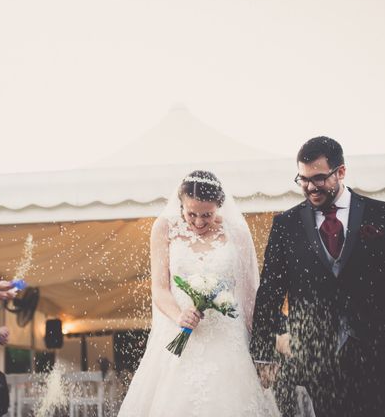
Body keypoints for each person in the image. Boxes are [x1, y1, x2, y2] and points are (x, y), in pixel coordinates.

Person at [250, 136, 385, 417]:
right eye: (302, 179)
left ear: (340, 171)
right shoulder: (286, 225)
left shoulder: (383, 215)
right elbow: (269, 292)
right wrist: (263, 352)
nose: (309, 187)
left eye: (318, 178)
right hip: (321, 363)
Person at [118, 170, 279, 416]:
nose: (199, 222)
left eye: (207, 214)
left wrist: (263, 353)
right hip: (181, 334)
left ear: (219, 206)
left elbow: (249, 298)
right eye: (191, 213)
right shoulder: (164, 228)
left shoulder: (237, 232)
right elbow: (160, 289)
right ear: (180, 204)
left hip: (227, 339)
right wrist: (178, 315)